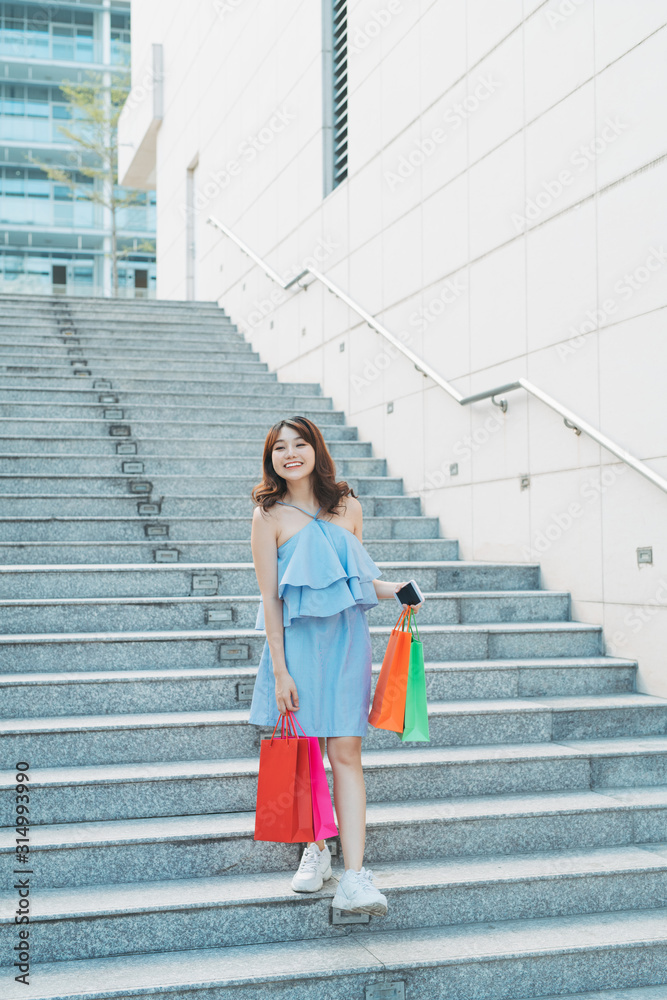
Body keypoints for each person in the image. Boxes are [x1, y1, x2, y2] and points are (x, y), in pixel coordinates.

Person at [248, 415, 423, 916]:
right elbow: (270, 599)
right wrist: (280, 671)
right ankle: (316, 849)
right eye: (280, 447)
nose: (290, 453)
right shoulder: (268, 516)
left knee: (345, 752)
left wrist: (398, 590)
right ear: (272, 459)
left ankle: (355, 876)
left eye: (299, 443)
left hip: (347, 641)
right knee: (304, 756)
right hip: (298, 646)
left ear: (315, 449)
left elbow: (357, 580)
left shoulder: (347, 507)